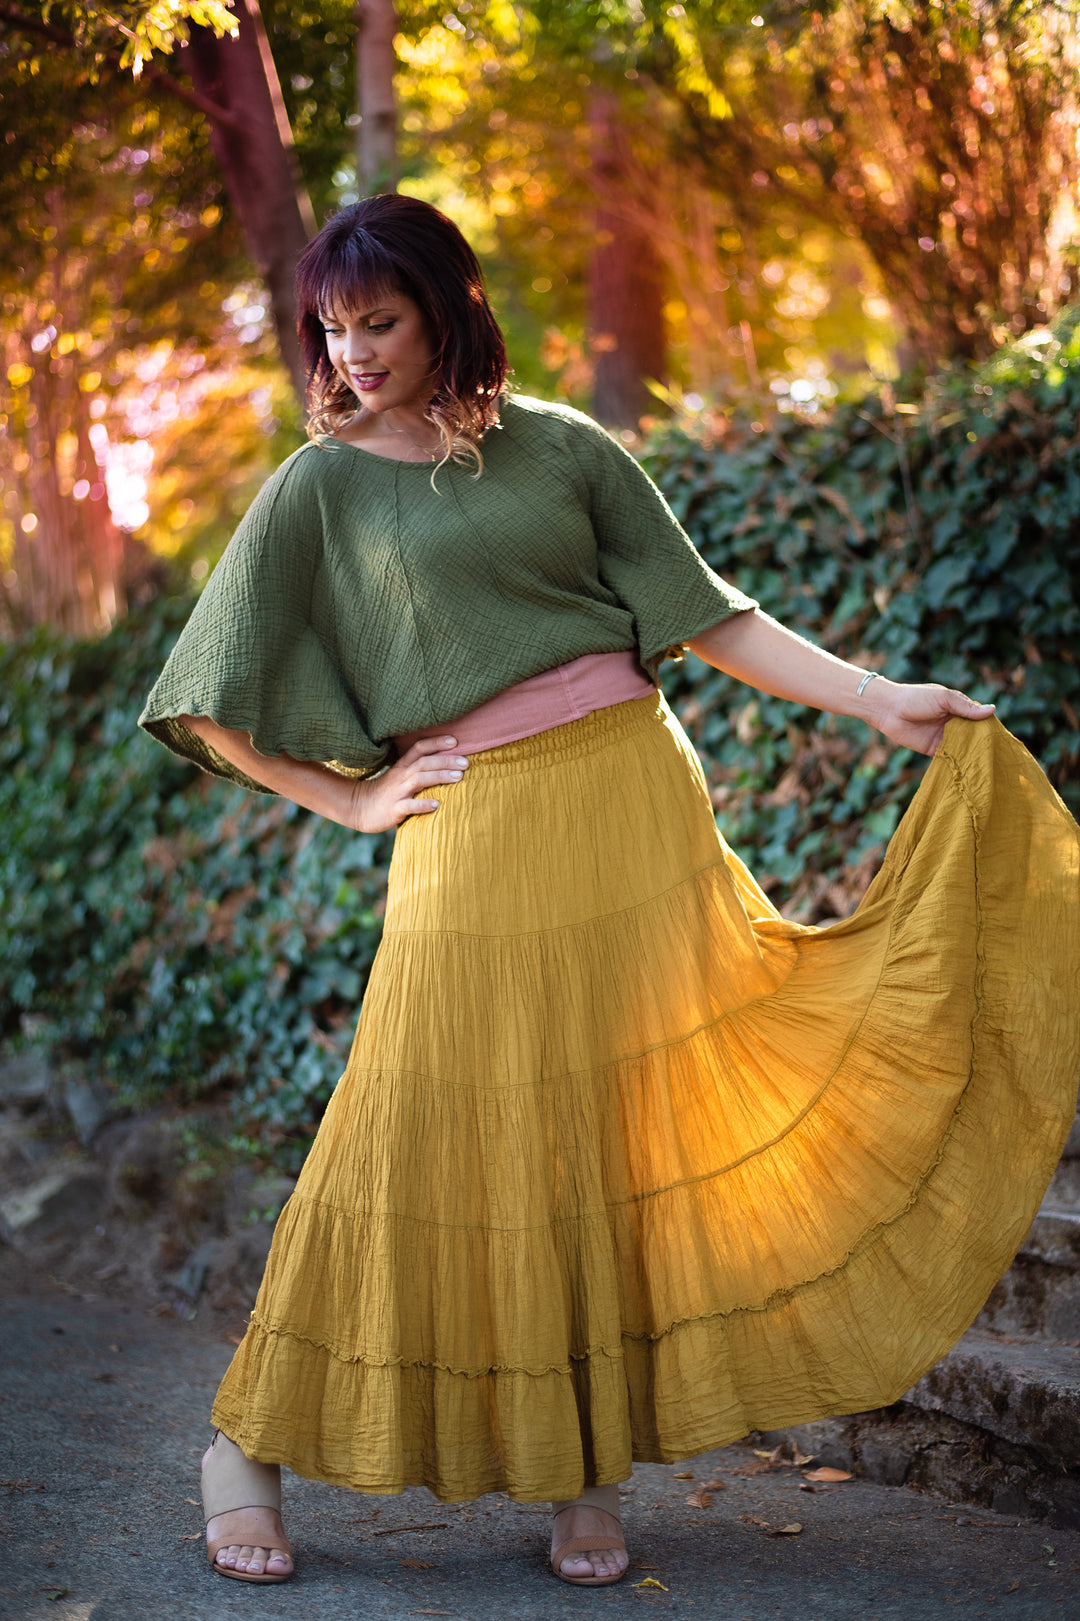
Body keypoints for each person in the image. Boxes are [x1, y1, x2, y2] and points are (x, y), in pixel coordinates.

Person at [140, 194, 1080, 1589]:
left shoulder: (567, 449)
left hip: (636, 804)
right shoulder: (318, 488)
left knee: (612, 1138)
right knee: (401, 1129)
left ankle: (582, 1469)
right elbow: (207, 696)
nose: (352, 354)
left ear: (451, 302)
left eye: (379, 321)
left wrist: (880, 700)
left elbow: (710, 616)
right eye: (331, 330)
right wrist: (349, 796)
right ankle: (248, 1443)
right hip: (473, 830)